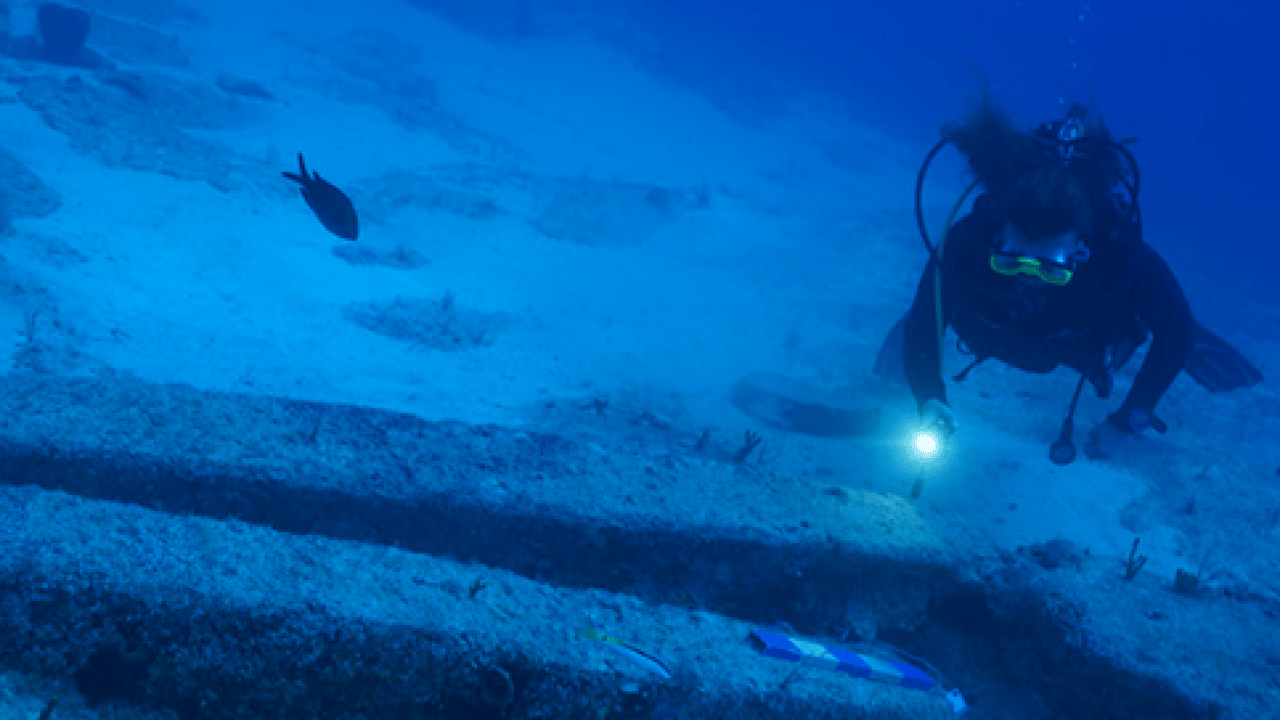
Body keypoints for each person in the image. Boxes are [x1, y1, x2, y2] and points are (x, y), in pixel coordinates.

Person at [875, 100, 1262, 462]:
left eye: (1050, 268)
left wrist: (1128, 421)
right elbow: (927, 316)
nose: (1029, 280)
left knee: (1159, 324)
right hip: (990, 325)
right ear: (998, 237)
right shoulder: (967, 241)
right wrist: (929, 397)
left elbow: (1176, 337)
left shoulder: (1121, 258)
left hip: (1079, 337)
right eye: (1012, 261)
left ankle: (1134, 326)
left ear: (1080, 250)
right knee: (922, 317)